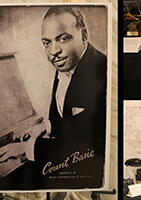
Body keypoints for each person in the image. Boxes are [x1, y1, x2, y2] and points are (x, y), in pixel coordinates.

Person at [0, 6, 107, 189]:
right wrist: (45, 128)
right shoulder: (67, 65)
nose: (53, 51)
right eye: (46, 43)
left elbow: (90, 145)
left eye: (63, 38)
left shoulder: (102, 72)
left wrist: (26, 149)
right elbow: (67, 113)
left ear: (83, 35)